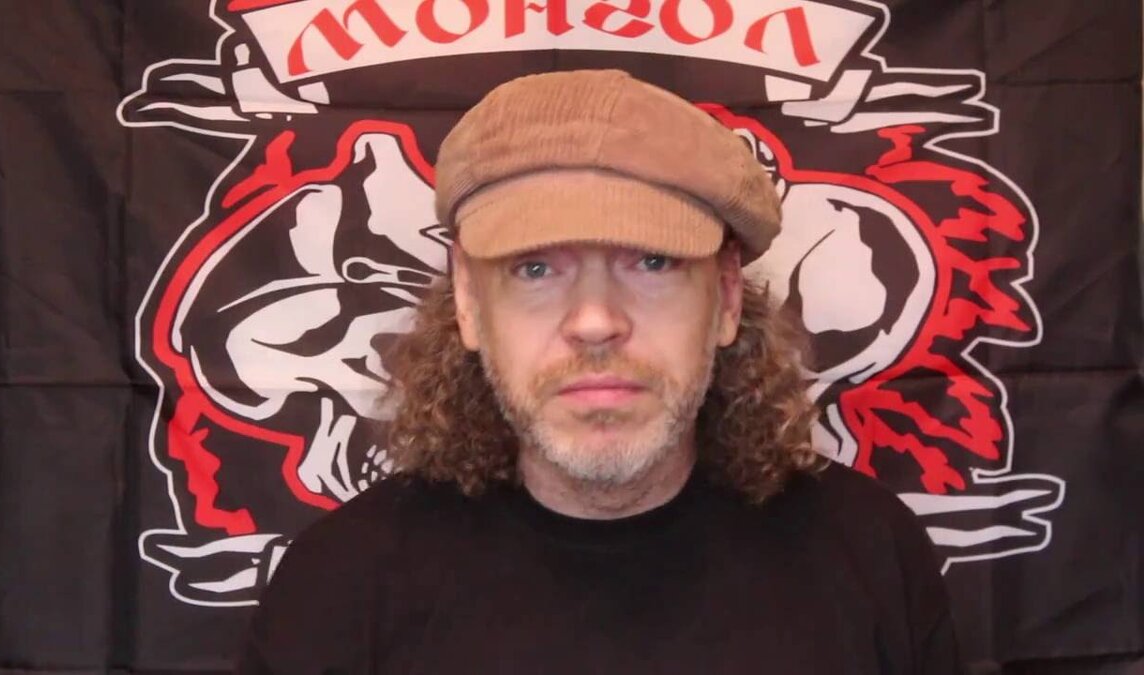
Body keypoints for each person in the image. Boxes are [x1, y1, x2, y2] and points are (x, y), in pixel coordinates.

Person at [236, 69, 961, 675]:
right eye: (535, 267)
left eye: (652, 261)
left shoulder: (872, 559)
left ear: (727, 296)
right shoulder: (339, 588)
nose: (594, 320)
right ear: (468, 300)